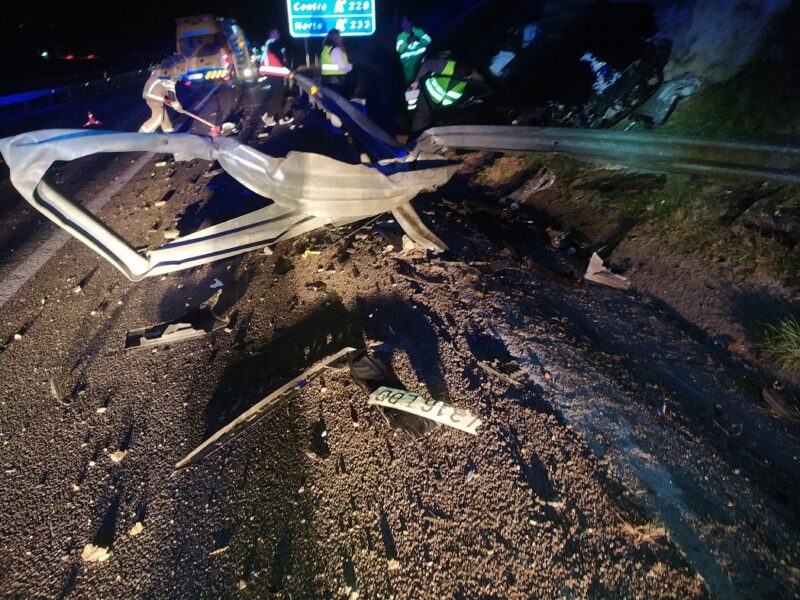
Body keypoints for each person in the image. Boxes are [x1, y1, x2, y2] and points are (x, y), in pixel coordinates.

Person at [409, 54, 472, 134]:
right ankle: (411, 137)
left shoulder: (469, 75)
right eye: (457, 74)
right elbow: (427, 65)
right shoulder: (445, 65)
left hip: (442, 107)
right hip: (427, 95)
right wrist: (416, 82)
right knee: (420, 120)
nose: (459, 77)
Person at [139, 55, 186, 133]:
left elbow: (164, 88)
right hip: (153, 96)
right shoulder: (171, 77)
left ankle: (170, 134)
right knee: (158, 118)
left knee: (164, 119)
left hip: (153, 95)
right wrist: (177, 106)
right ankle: (140, 136)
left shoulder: (164, 71)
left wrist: (166, 99)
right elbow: (171, 94)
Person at [259, 28, 294, 127]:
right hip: (276, 74)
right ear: (272, 34)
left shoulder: (268, 45)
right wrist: (288, 72)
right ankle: (268, 115)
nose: (278, 34)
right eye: (276, 33)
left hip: (271, 74)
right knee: (278, 96)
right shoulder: (274, 45)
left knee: (277, 96)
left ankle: (281, 118)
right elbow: (279, 62)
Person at [396, 16, 431, 86]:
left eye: (404, 22)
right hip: (409, 71)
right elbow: (399, 50)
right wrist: (407, 41)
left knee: (423, 88)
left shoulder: (419, 31)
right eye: (402, 23)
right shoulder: (400, 36)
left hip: (422, 67)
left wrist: (418, 39)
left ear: (409, 23)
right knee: (411, 93)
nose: (402, 24)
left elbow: (429, 40)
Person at [320, 28, 352, 95]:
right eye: (338, 37)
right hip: (337, 83)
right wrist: (351, 66)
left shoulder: (326, 49)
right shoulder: (336, 50)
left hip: (326, 82)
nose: (341, 39)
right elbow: (343, 67)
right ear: (334, 38)